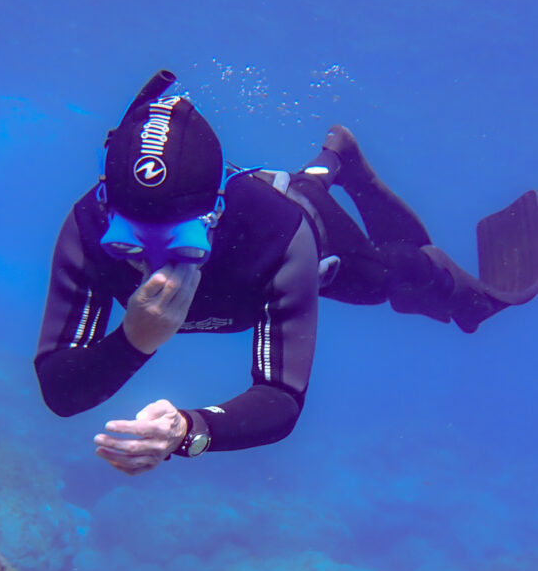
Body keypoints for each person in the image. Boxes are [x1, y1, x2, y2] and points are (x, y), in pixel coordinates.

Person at [34, 70, 538, 474]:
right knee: (313, 199)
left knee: (382, 282)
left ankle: (343, 168)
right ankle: (327, 162)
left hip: (310, 220)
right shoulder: (87, 230)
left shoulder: (278, 234)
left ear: (215, 213)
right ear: (107, 208)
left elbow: (282, 397)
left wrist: (187, 430)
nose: (152, 264)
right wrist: (133, 341)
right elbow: (59, 390)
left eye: (181, 245)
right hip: (261, 207)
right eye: (128, 244)